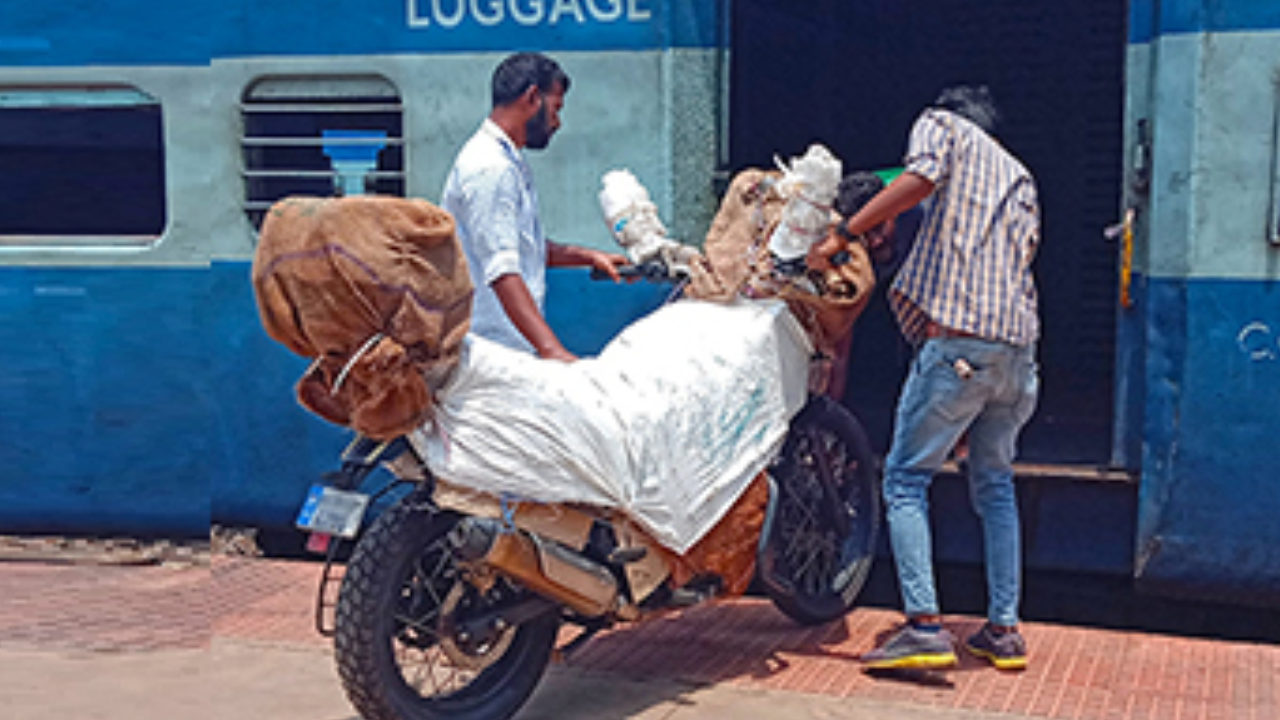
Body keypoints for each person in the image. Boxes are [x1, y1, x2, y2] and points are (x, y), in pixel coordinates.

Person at [812, 85, 1040, 671]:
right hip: (1017, 356)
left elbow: (919, 177)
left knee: (905, 481)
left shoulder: (941, 126)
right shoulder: (1019, 177)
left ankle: (923, 626)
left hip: (958, 346)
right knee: (994, 485)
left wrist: (840, 235)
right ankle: (1005, 631)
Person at [441, 52, 627, 361]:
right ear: (532, 98)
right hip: (490, 352)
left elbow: (520, 246)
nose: (557, 122)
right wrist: (552, 350)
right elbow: (502, 269)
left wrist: (589, 257)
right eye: (555, 108)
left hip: (505, 350)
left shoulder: (508, 161)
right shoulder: (490, 168)